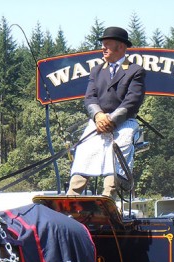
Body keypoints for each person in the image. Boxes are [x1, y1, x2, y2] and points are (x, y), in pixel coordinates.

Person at [67, 26, 146, 199]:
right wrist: (98, 116)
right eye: (103, 44)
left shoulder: (135, 70)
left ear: (121, 47)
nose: (103, 48)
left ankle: (107, 199)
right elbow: (90, 97)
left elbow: (132, 101)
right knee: (83, 150)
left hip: (123, 122)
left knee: (120, 149)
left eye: (108, 44)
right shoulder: (97, 70)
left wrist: (111, 120)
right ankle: (71, 198)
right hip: (98, 121)